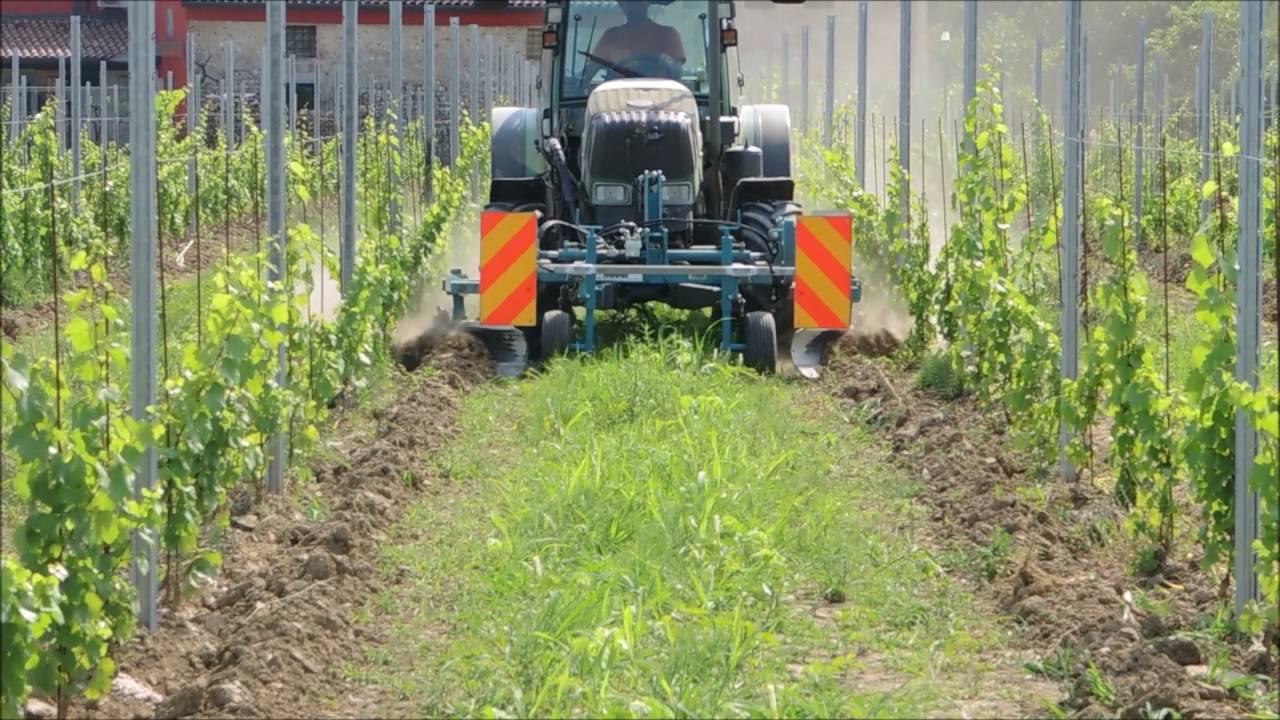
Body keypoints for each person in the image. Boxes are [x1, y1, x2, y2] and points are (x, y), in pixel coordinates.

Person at [583, 0, 686, 80]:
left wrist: (668, 62)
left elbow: (678, 72)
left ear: (648, 2)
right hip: (616, 101)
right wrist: (575, 85)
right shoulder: (610, 37)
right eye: (628, 1)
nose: (633, 4)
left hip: (660, 101)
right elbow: (587, 74)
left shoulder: (668, 34)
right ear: (621, 4)